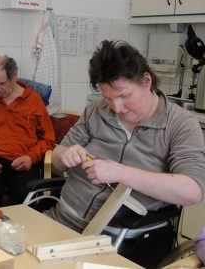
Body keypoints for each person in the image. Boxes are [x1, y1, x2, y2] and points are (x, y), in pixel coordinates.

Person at [47, 40, 205, 233]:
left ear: (146, 81)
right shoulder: (96, 110)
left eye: (124, 96)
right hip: (62, 218)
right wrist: (64, 155)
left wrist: (120, 173)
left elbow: (192, 191)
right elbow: (55, 163)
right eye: (108, 97)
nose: (116, 107)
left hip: (117, 237)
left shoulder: (180, 124)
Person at [0, 55, 55, 207]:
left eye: (2, 84)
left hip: (24, 163)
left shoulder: (33, 100)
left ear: (14, 75)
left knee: (25, 200)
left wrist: (31, 158)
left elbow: (48, 139)